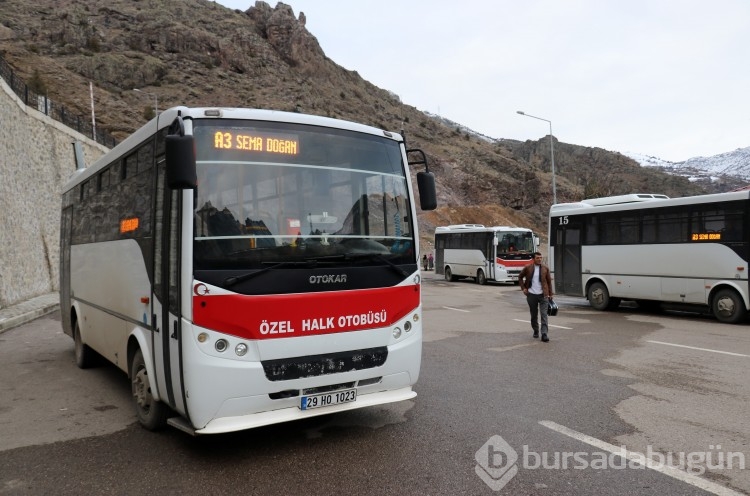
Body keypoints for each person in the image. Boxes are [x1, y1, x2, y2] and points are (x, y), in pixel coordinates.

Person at [518, 252, 554, 342]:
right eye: (537, 258)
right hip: (531, 295)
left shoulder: (545, 268)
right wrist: (523, 288)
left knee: (544, 315)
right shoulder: (527, 268)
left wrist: (551, 294)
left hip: (543, 295)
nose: (540, 259)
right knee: (534, 315)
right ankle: (535, 330)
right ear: (533, 259)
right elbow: (520, 277)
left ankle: (544, 334)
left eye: (541, 258)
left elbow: (549, 282)